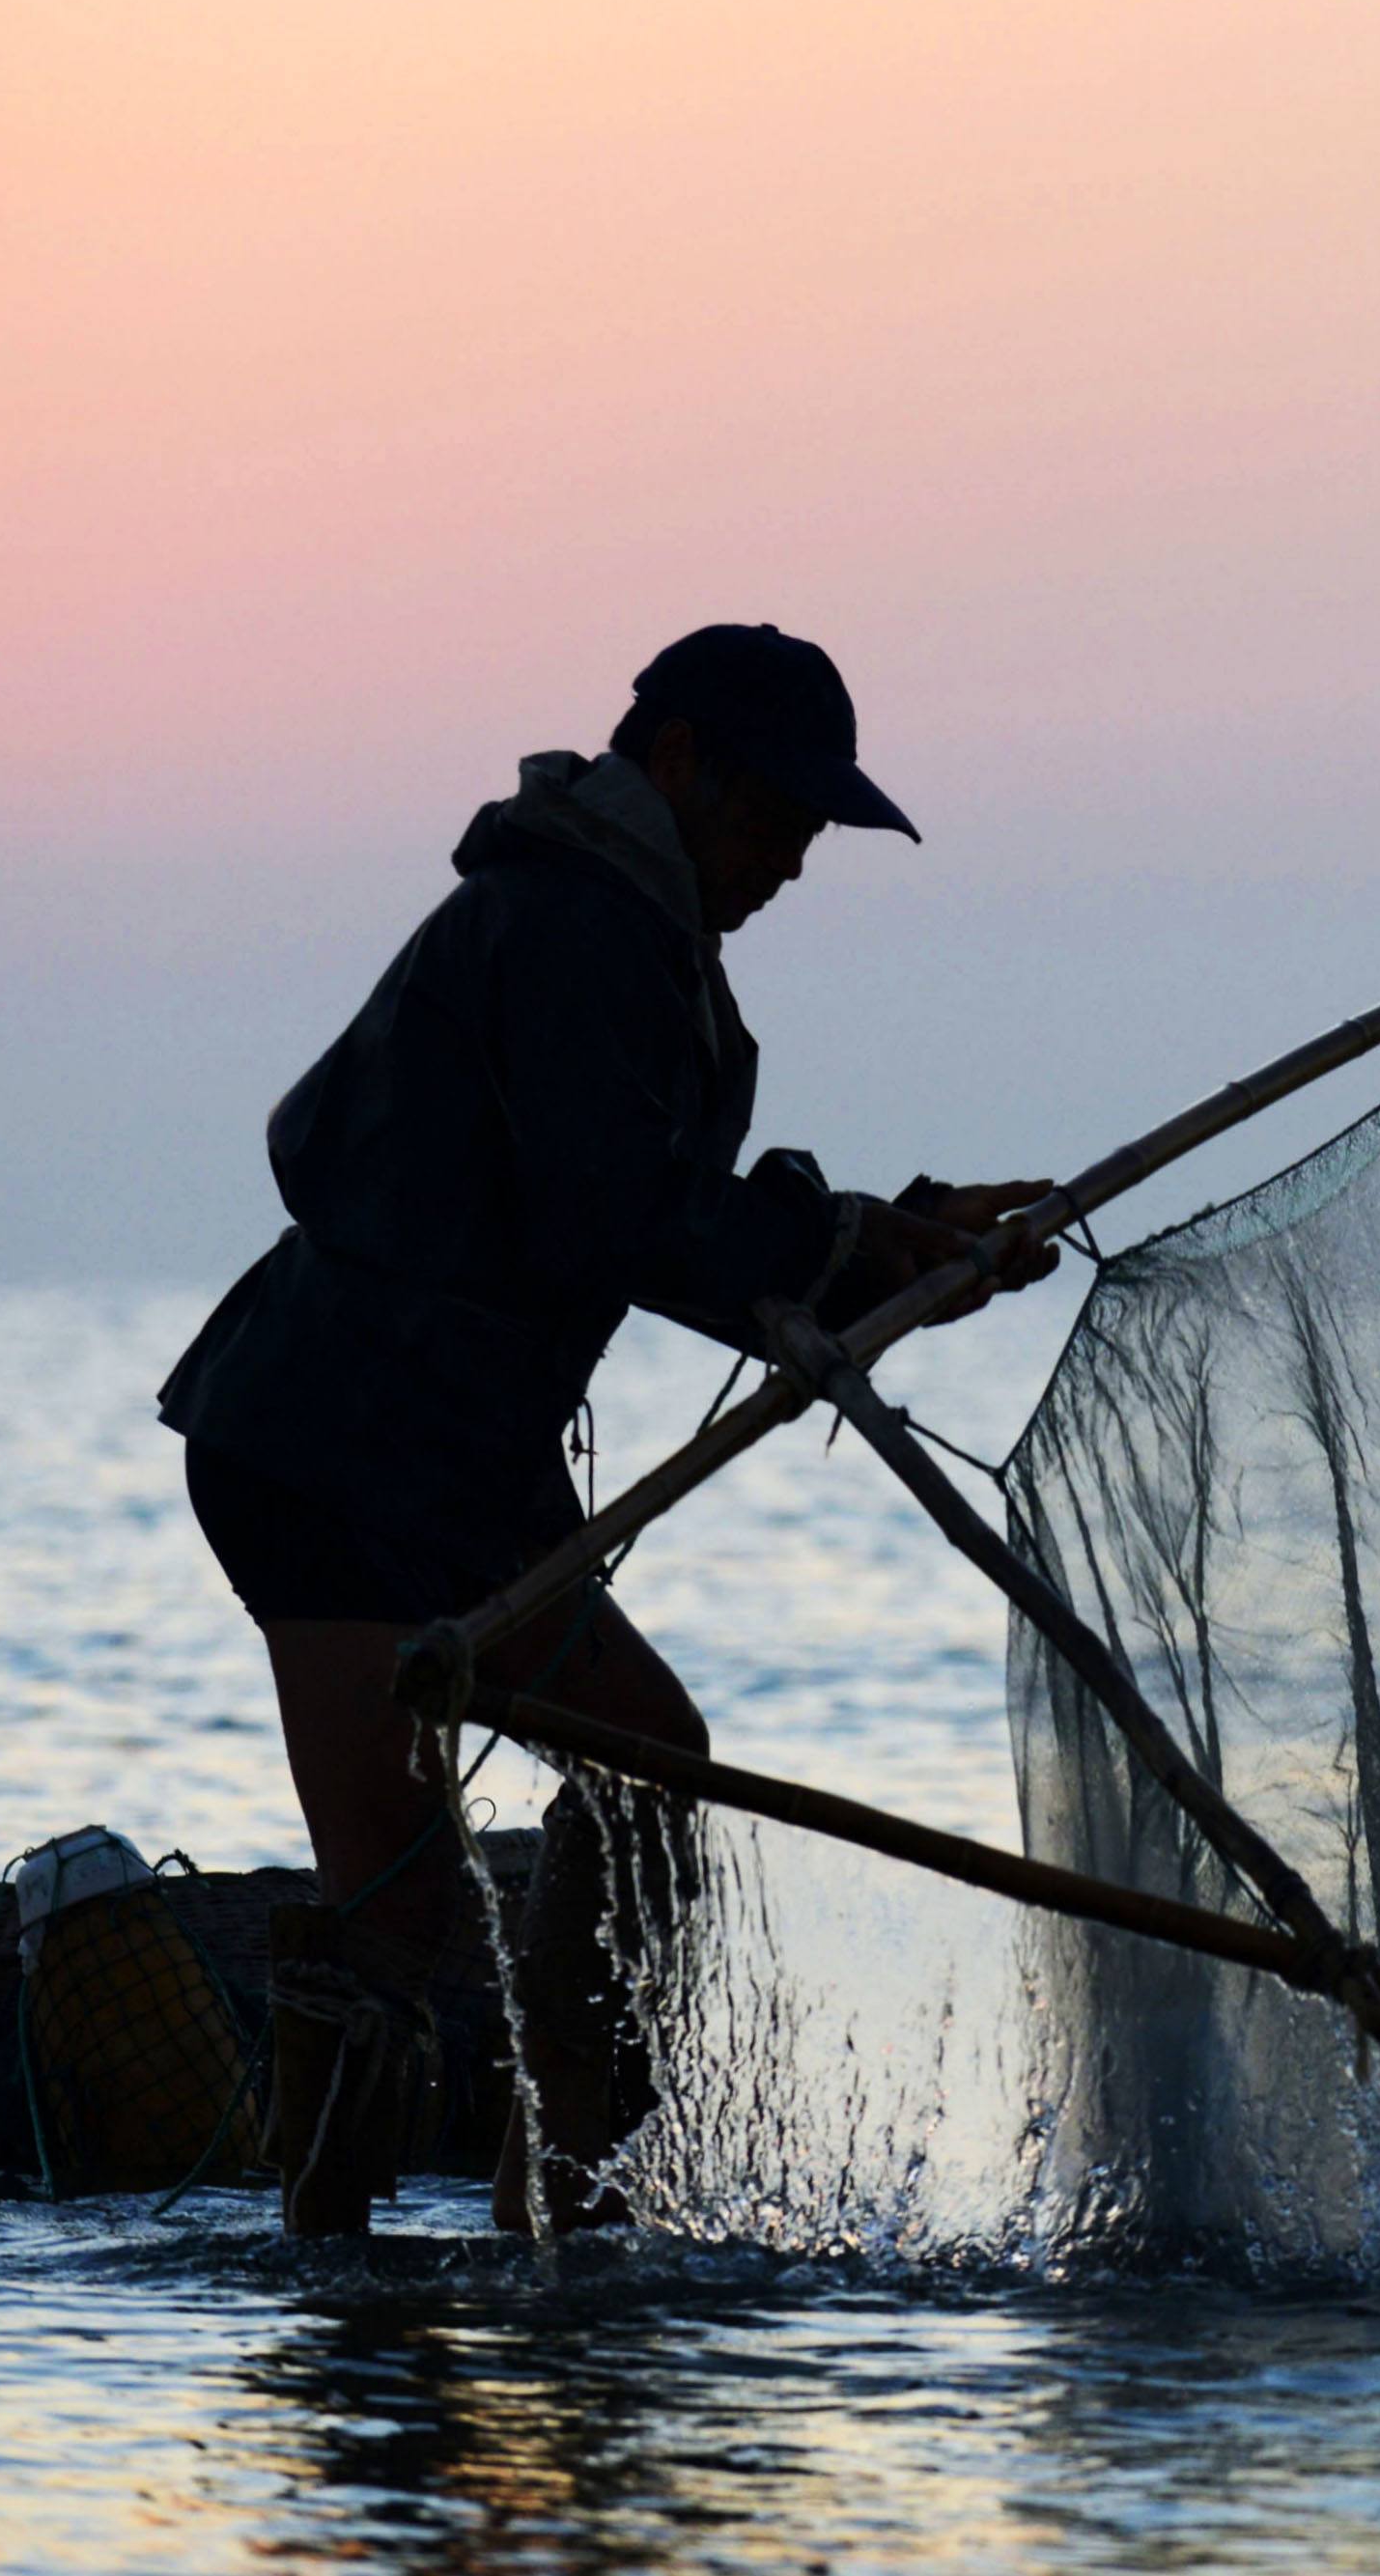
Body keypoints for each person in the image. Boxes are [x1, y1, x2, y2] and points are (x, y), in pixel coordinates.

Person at [158, 621, 1060, 2236]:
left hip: (455, 1474)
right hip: (330, 1451)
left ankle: (562, 2206)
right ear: (677, 762)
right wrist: (845, 1246)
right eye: (773, 811)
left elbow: (657, 1214)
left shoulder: (635, 939)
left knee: (651, 1771)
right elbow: (615, 1219)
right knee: (400, 1904)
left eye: (813, 829)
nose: (791, 857)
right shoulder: (569, 923)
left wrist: (892, 1245)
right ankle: (332, 2280)